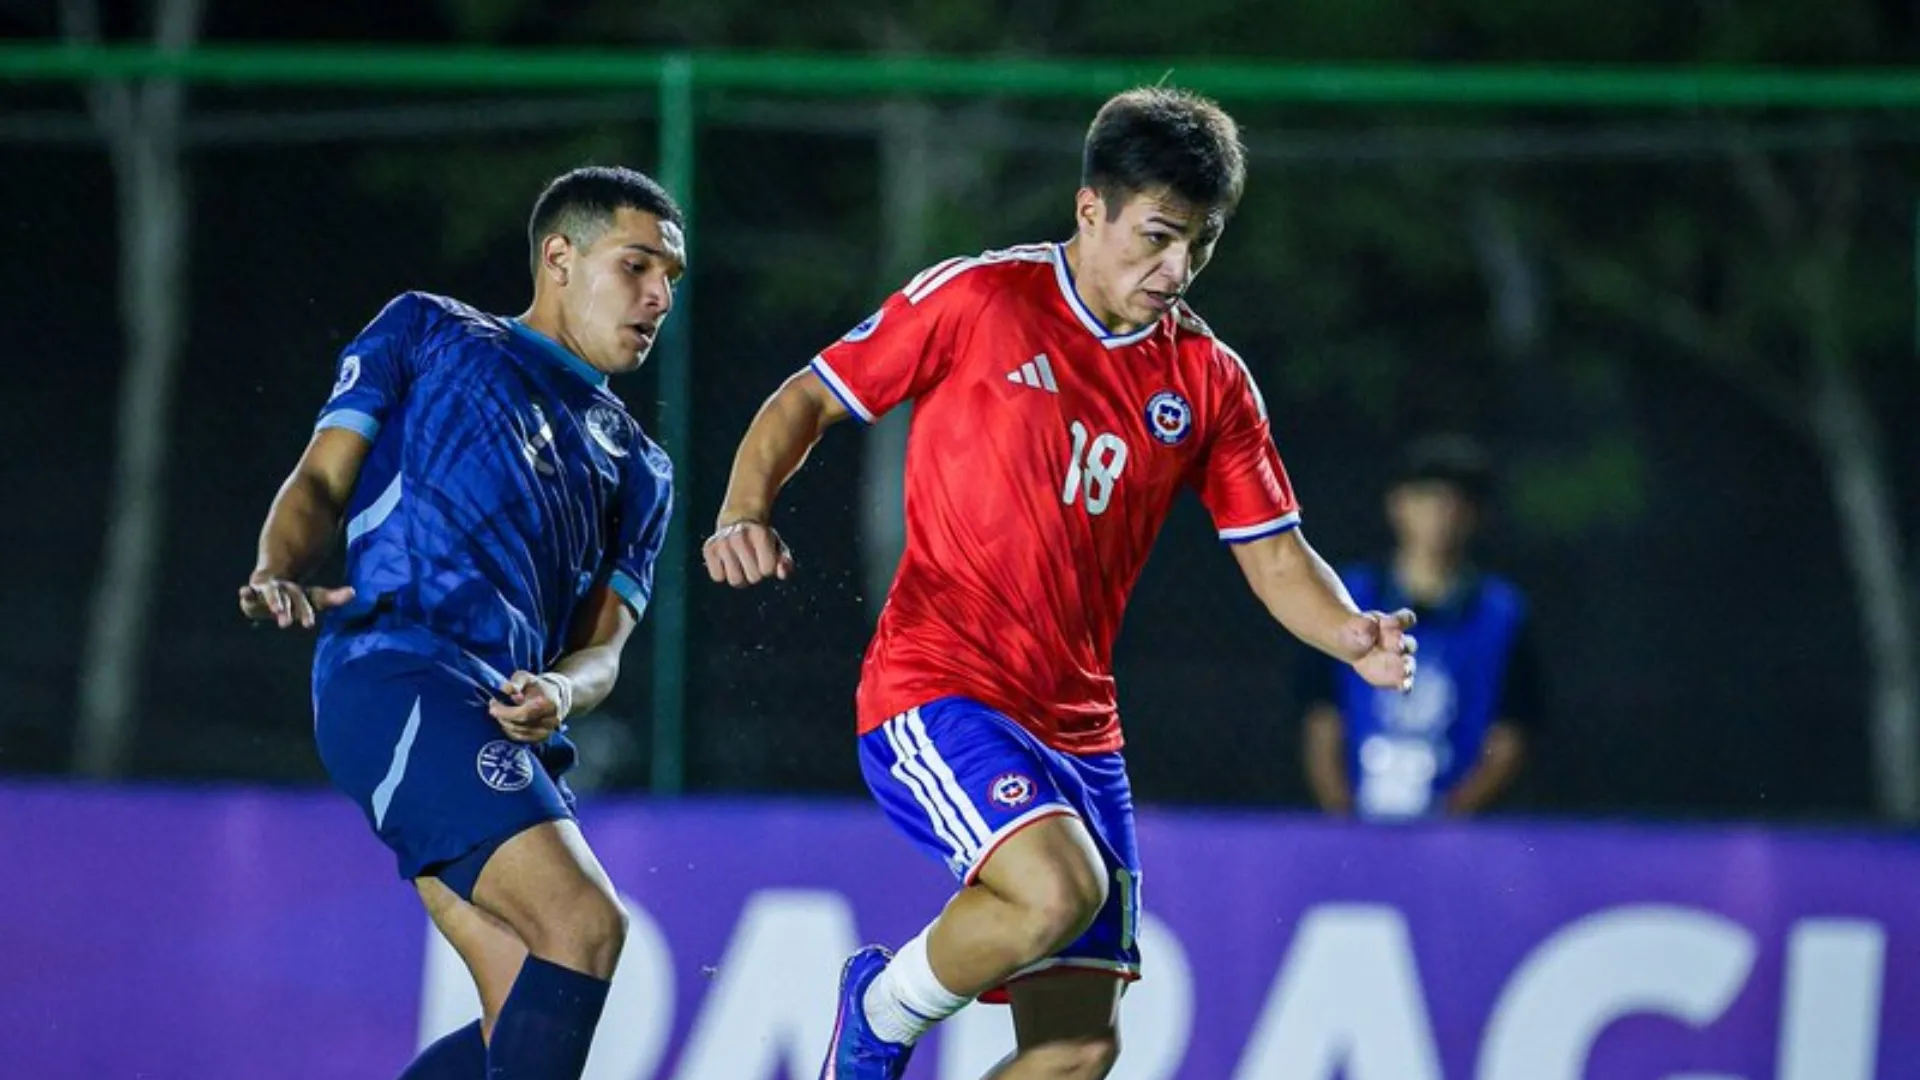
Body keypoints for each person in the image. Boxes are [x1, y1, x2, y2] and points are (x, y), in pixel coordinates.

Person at [703, 87, 1418, 1080]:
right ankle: (881, 1008)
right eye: (1159, 238)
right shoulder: (980, 300)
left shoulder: (1209, 380)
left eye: (1201, 246)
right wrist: (745, 508)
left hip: (1083, 732)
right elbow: (808, 399)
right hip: (937, 684)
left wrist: (1349, 633)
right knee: (1053, 891)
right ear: (1092, 209)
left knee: (1078, 1053)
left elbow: (1273, 553)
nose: (1176, 271)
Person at [239, 166, 681, 1080]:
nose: (658, 296)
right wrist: (279, 566)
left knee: (517, 1008)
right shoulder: (430, 330)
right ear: (560, 257)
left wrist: (562, 688)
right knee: (586, 926)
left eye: (672, 279)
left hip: (497, 720)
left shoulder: (641, 466)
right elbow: (321, 479)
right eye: (638, 266)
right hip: (398, 675)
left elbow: (602, 653)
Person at [1301, 434, 1542, 821]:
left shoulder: (1502, 615)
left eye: (1455, 503)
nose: (1440, 516)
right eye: (1427, 498)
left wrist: (1449, 821)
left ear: (1476, 516)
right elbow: (1322, 719)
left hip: (1458, 829)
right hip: (1358, 820)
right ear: (1397, 505)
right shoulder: (1348, 598)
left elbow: (1510, 735)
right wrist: (1343, 822)